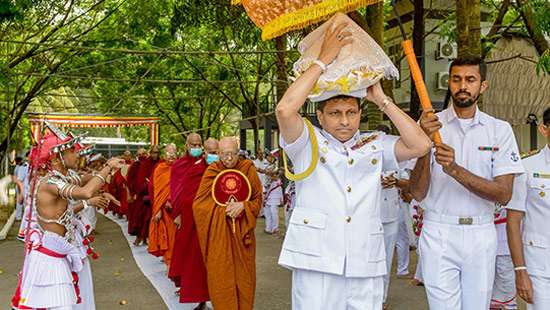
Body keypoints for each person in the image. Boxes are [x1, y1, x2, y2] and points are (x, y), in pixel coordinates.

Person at [275, 17, 431, 309]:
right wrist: (323, 60)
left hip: (364, 261)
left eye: (351, 112)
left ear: (360, 112)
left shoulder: (374, 143)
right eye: (335, 113)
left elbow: (421, 145)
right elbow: (285, 109)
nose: (345, 121)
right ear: (320, 116)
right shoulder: (306, 142)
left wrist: (382, 100)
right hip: (317, 261)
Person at [409, 55, 524, 309]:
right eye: (456, 79)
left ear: (483, 85)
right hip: (438, 231)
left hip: (481, 233)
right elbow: (416, 192)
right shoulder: (429, 125)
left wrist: (455, 169)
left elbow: (504, 194)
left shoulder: (499, 130)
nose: (463, 86)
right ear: (449, 83)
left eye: (470, 79)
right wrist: (425, 147)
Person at [13, 128, 123, 309]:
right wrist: (108, 167)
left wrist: (102, 185)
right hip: (50, 260)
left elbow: (85, 179)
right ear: (57, 158)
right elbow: (85, 191)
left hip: (60, 254)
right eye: (71, 150)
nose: (77, 153)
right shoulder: (50, 182)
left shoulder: (63, 177)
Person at [193, 137, 263, 310]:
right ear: (218, 154)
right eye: (224, 154)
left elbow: (257, 200)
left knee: (244, 278)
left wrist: (243, 206)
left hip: (242, 235)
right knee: (220, 276)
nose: (229, 159)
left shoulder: (247, 169)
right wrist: (221, 209)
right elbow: (199, 205)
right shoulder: (212, 171)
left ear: (238, 152)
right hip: (219, 236)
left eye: (232, 154)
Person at [506, 107, 550, 310]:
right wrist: (520, 269)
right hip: (540, 266)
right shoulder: (528, 168)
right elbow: (513, 222)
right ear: (544, 129)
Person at [168, 134, 218, 309]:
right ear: (187, 145)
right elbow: (179, 193)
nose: (196, 147)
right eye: (194, 145)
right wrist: (178, 214)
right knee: (192, 259)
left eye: (199, 144)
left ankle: (216, 296)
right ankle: (198, 296)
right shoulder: (184, 166)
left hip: (215, 220)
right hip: (191, 220)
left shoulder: (219, 168)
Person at [148, 144, 178, 266]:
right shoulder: (160, 169)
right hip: (164, 209)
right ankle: (169, 263)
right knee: (168, 237)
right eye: (168, 152)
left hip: (178, 208)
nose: (171, 155)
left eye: (173, 152)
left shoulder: (180, 167)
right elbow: (156, 190)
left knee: (178, 239)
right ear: (164, 155)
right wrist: (158, 209)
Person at [127, 146, 160, 246]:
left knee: (150, 219)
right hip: (143, 195)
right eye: (153, 152)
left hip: (156, 194)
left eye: (157, 152)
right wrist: (135, 192)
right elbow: (134, 180)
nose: (155, 154)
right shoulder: (142, 164)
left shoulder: (160, 163)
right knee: (141, 218)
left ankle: (148, 239)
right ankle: (139, 237)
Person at [263, 150, 283, 235]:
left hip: (274, 191)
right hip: (267, 190)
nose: (268, 158)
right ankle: (268, 228)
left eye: (270, 156)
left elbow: (273, 175)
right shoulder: (268, 166)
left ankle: (275, 228)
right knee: (267, 210)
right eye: (268, 156)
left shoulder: (276, 167)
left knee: (273, 211)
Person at [14, 156, 29, 222]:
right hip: (22, 188)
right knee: (20, 203)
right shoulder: (23, 167)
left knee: (25, 205)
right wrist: (20, 191)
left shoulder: (30, 167)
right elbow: (19, 180)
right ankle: (18, 217)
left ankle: (22, 218)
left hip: (27, 189)